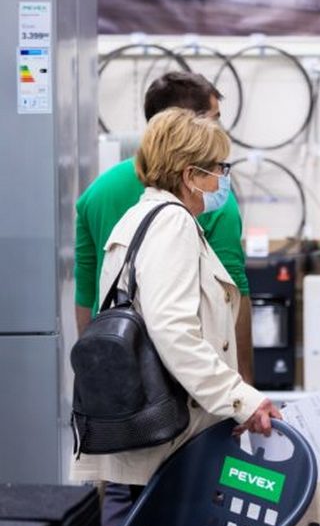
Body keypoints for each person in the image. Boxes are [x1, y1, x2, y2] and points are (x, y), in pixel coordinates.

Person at [70, 108, 281, 526]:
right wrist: (239, 397)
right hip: (175, 437)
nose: (224, 179)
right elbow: (173, 329)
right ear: (191, 174)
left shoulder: (140, 217)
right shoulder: (172, 223)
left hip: (160, 429)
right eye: (220, 169)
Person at [74, 71, 254, 387]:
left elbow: (87, 295)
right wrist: (244, 388)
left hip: (122, 376)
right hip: (191, 387)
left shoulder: (97, 192)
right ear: (187, 125)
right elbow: (232, 295)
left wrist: (96, 375)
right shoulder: (209, 199)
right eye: (214, 119)